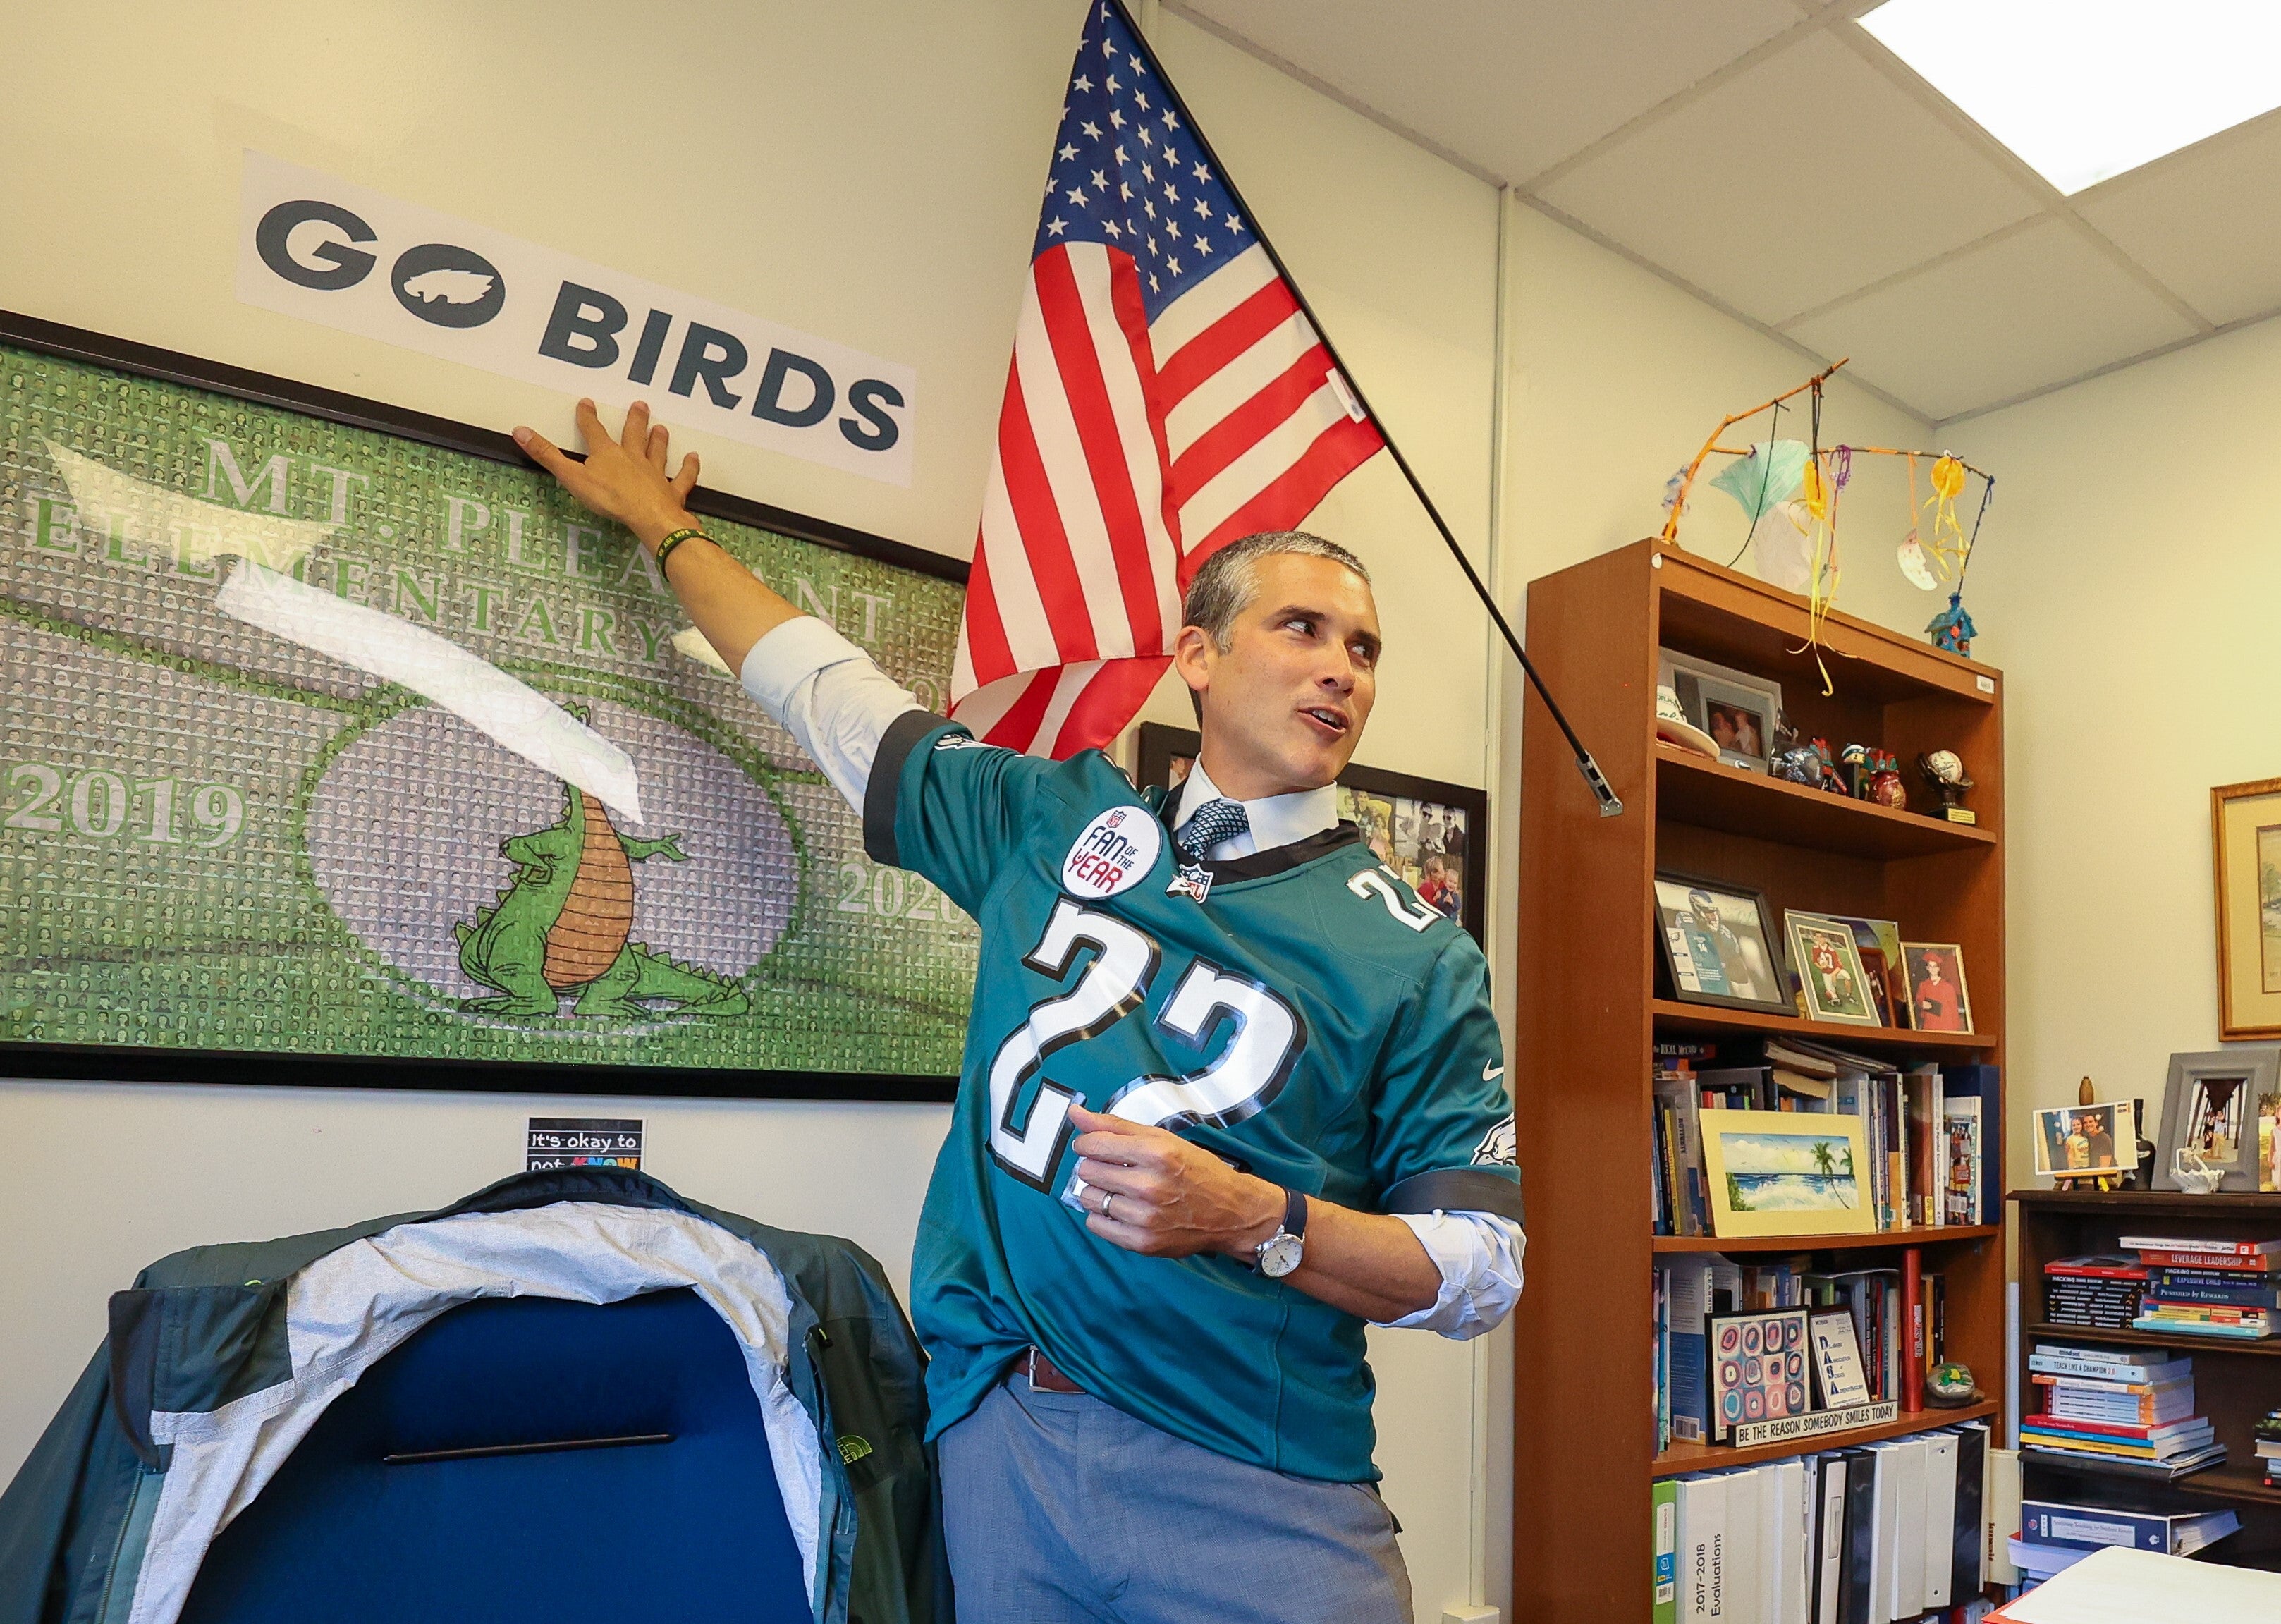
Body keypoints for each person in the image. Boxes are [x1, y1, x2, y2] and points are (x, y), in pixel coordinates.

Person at [513, 401, 1526, 1624]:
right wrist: (665, 530)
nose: (1339, 667)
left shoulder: (1416, 951)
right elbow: (828, 695)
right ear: (1198, 657)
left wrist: (1257, 1217)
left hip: (1257, 1481)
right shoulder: (1050, 820)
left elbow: (1480, 1272)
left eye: (1364, 649)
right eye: (1301, 627)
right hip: (1007, 1434)